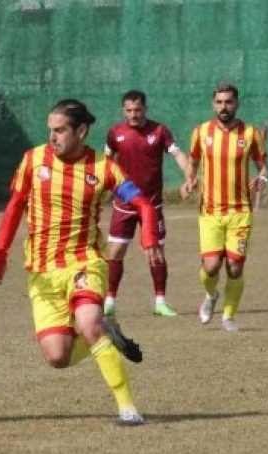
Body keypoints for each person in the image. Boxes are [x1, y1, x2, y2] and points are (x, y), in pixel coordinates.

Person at [0, 99, 162, 427]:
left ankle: (127, 408)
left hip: (85, 262)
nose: (52, 137)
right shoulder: (33, 160)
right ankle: (108, 335)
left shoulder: (104, 167)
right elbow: (15, 206)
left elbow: (142, 203)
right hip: (42, 272)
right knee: (57, 356)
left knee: (89, 324)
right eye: (50, 130)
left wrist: (149, 236)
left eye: (60, 130)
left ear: (81, 131)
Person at [182, 82, 268, 333]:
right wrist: (189, 180)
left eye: (228, 102)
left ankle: (229, 316)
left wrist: (263, 178)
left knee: (235, 267)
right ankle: (210, 296)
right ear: (213, 104)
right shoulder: (200, 132)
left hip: (240, 211)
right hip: (210, 211)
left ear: (237, 104)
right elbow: (192, 161)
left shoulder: (251, 133)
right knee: (210, 267)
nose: (224, 106)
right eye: (219, 102)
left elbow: (264, 166)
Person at [103, 90, 191, 317]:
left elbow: (178, 155)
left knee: (155, 253)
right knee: (116, 252)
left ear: (145, 109)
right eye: (129, 110)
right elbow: (105, 163)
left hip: (151, 205)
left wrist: (189, 176)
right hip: (124, 203)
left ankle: (160, 302)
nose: (133, 115)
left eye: (137, 110)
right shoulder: (115, 133)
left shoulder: (159, 131)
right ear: (124, 110)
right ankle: (110, 301)